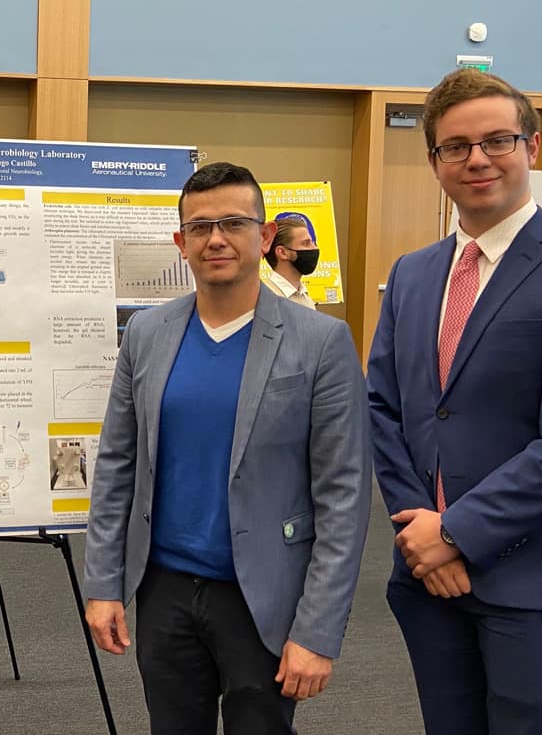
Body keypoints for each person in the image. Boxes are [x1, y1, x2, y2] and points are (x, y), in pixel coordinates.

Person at [84, 162, 371, 734]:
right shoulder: (146, 333)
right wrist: (102, 584)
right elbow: (117, 465)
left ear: (264, 238)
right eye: (199, 227)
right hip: (163, 592)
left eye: (234, 223)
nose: (216, 238)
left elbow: (344, 497)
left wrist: (316, 631)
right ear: (181, 243)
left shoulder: (320, 343)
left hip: (262, 595)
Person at [367, 68, 542, 734]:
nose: (477, 158)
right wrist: (421, 531)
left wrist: (457, 532)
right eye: (456, 146)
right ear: (434, 161)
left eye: (497, 141)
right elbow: (384, 410)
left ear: (532, 147)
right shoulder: (413, 273)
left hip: (535, 583)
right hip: (427, 583)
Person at [263, 212, 319, 308]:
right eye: (306, 243)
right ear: (282, 252)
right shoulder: (266, 300)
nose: (314, 248)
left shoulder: (306, 300)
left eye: (313, 243)